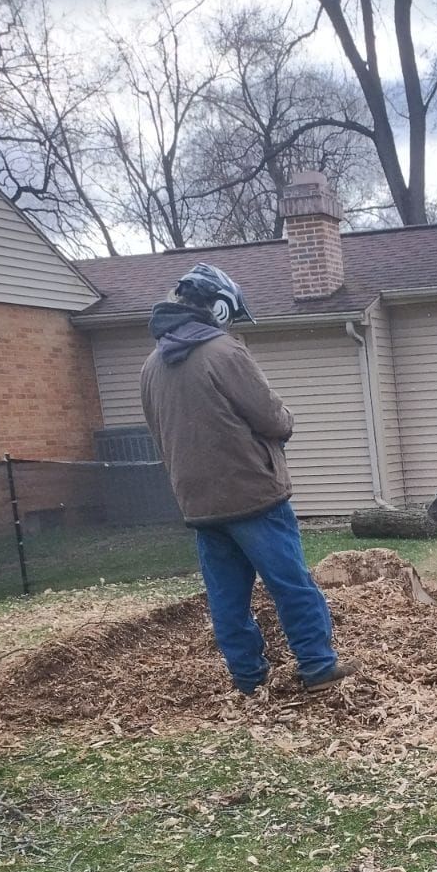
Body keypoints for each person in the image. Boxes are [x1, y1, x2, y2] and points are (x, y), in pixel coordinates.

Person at [140, 262, 350, 693]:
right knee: (290, 583)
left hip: (199, 504)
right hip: (253, 494)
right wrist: (288, 420)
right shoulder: (225, 352)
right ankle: (317, 665)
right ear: (218, 308)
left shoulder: (151, 367)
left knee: (227, 598)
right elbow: (271, 418)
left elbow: (160, 434)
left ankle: (248, 678)